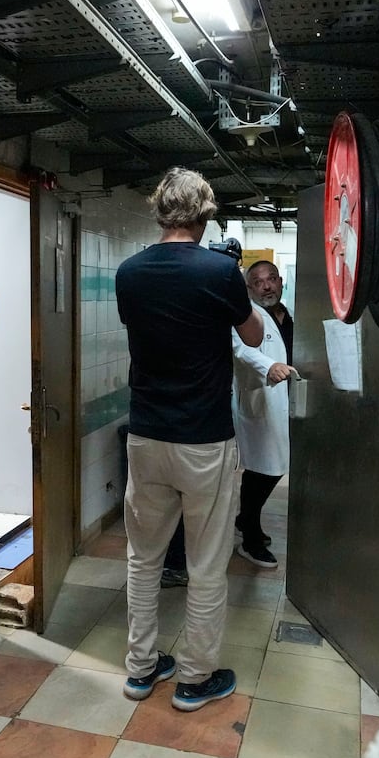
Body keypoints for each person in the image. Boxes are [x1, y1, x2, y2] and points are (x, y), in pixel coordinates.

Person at [115, 168, 264, 711]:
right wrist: (232, 291)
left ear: (160, 212)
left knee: (143, 556)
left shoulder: (128, 272)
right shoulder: (220, 271)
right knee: (205, 563)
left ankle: (141, 669)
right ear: (205, 213)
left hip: (146, 435)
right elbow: (255, 334)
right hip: (203, 439)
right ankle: (196, 678)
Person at [231, 260, 296, 568]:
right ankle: (250, 539)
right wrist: (268, 366)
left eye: (271, 279)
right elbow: (240, 350)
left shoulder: (287, 313)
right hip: (261, 400)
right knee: (262, 470)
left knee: (272, 467)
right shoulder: (244, 316)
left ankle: (245, 521)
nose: (267, 285)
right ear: (249, 288)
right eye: (259, 282)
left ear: (281, 281)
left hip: (288, 399)